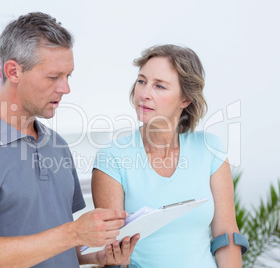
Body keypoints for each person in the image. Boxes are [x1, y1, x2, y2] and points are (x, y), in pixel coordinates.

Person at [0, 12, 139, 268]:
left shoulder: (57, 146)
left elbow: (55, 246)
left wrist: (98, 255)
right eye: (53, 77)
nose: (66, 88)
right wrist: (74, 232)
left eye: (68, 76)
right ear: (13, 71)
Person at [92, 44, 243, 267]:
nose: (144, 94)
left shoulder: (210, 148)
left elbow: (226, 234)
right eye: (141, 81)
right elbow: (114, 254)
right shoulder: (111, 158)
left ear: (186, 100)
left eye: (160, 86)